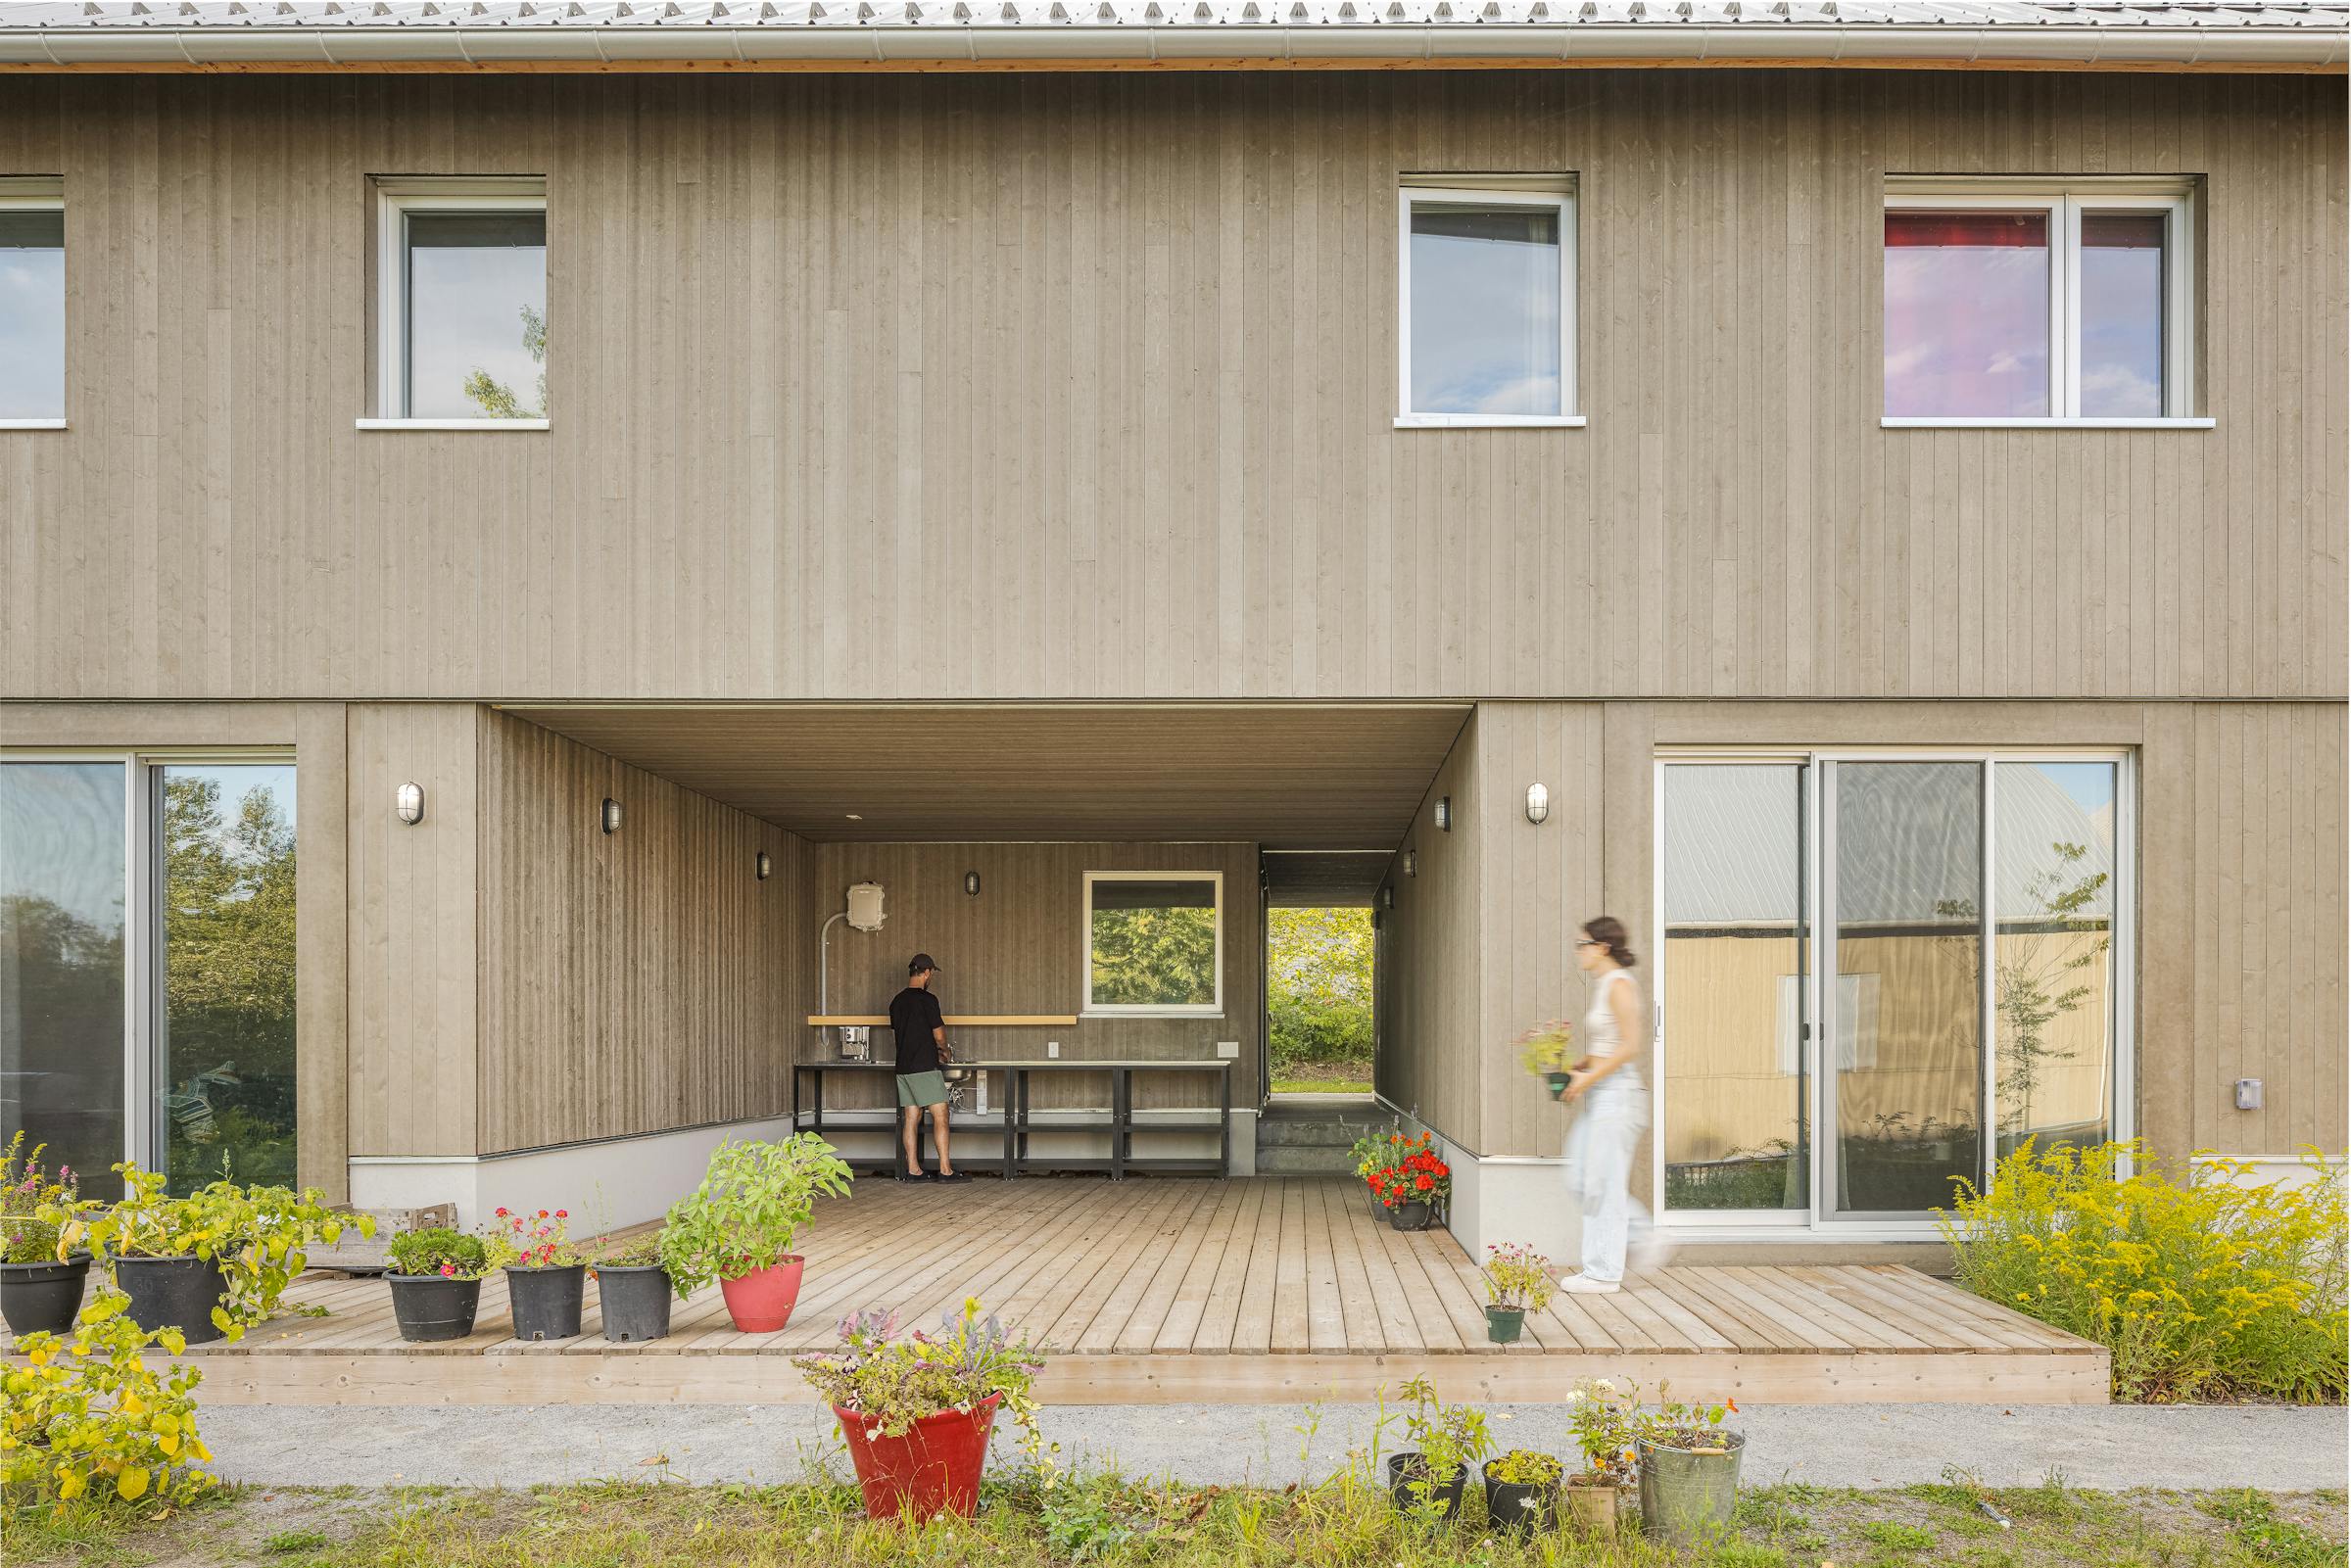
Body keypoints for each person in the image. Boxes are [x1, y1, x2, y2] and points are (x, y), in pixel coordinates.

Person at [1556, 916, 1667, 1293]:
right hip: (1603, 1092)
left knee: (1601, 1183)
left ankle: (1603, 1272)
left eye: (1582, 944)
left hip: (1618, 1094)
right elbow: (1609, 1044)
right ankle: (1641, 1235)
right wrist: (1582, 1065)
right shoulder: (1606, 985)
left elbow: (1632, 1045)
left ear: (1602, 947)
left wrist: (1589, 1077)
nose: (1578, 951)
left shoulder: (1619, 984)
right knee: (1580, 1177)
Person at [888, 954, 968, 1183]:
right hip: (924, 1066)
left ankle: (913, 1170)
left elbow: (903, 1032)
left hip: (903, 1067)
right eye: (931, 973)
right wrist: (945, 1050)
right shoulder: (928, 1000)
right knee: (941, 1115)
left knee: (911, 1117)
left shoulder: (897, 1001)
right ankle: (945, 1170)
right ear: (926, 973)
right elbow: (939, 1034)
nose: (930, 976)